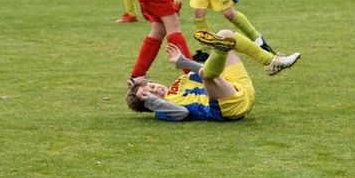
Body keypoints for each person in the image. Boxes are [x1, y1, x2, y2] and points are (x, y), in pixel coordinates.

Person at [126, 29, 301, 121]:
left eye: (153, 86)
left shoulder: (180, 81)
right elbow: (182, 113)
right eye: (152, 94)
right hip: (227, 108)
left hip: (239, 89)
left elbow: (208, 71)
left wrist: (188, 63)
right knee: (207, 74)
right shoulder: (164, 109)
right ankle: (219, 49)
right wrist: (152, 101)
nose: (157, 90)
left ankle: (273, 62)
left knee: (225, 35)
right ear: (150, 104)